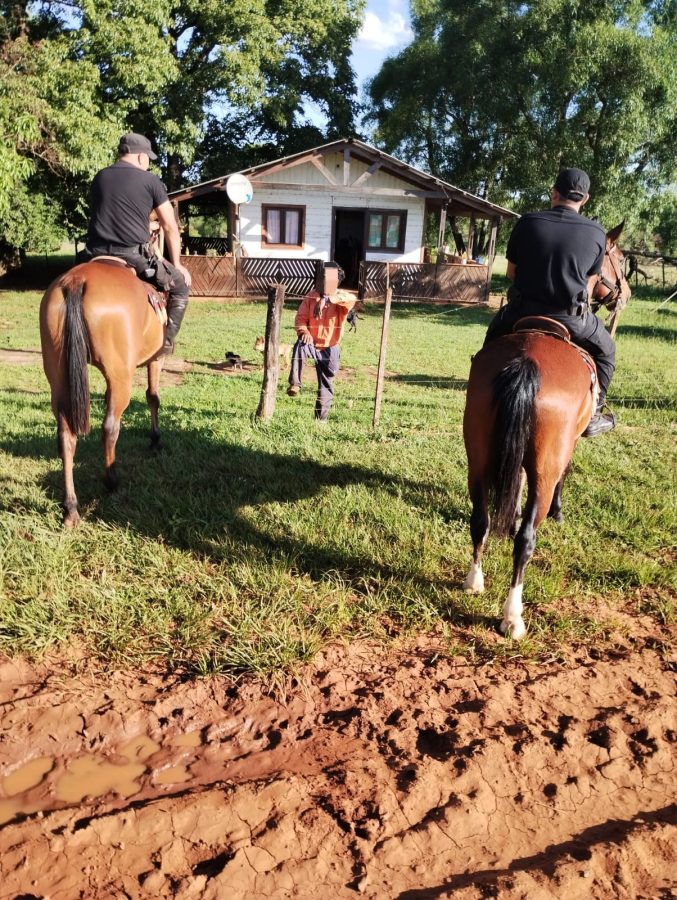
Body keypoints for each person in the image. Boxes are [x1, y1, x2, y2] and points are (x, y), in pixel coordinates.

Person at [484, 167, 616, 437]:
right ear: (585, 199)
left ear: (554, 193)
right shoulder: (596, 233)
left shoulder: (527, 222)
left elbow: (511, 273)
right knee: (607, 351)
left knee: (490, 343)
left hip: (521, 312)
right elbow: (590, 286)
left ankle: (485, 395)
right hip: (572, 318)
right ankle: (595, 412)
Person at [80, 133, 192, 355]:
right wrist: (177, 264)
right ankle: (165, 344)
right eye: (149, 159)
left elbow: (111, 215)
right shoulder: (151, 181)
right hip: (133, 256)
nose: (148, 164)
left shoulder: (100, 177)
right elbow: (170, 225)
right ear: (141, 157)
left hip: (93, 253)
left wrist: (144, 226)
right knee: (180, 285)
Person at [287, 261, 357, 422]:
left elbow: (352, 298)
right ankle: (295, 384)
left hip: (330, 347)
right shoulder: (311, 295)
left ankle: (321, 420)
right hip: (311, 343)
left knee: (326, 383)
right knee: (300, 345)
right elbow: (300, 318)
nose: (325, 282)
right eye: (322, 278)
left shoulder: (341, 297)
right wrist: (304, 331)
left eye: (330, 279)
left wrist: (327, 299)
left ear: (337, 281)